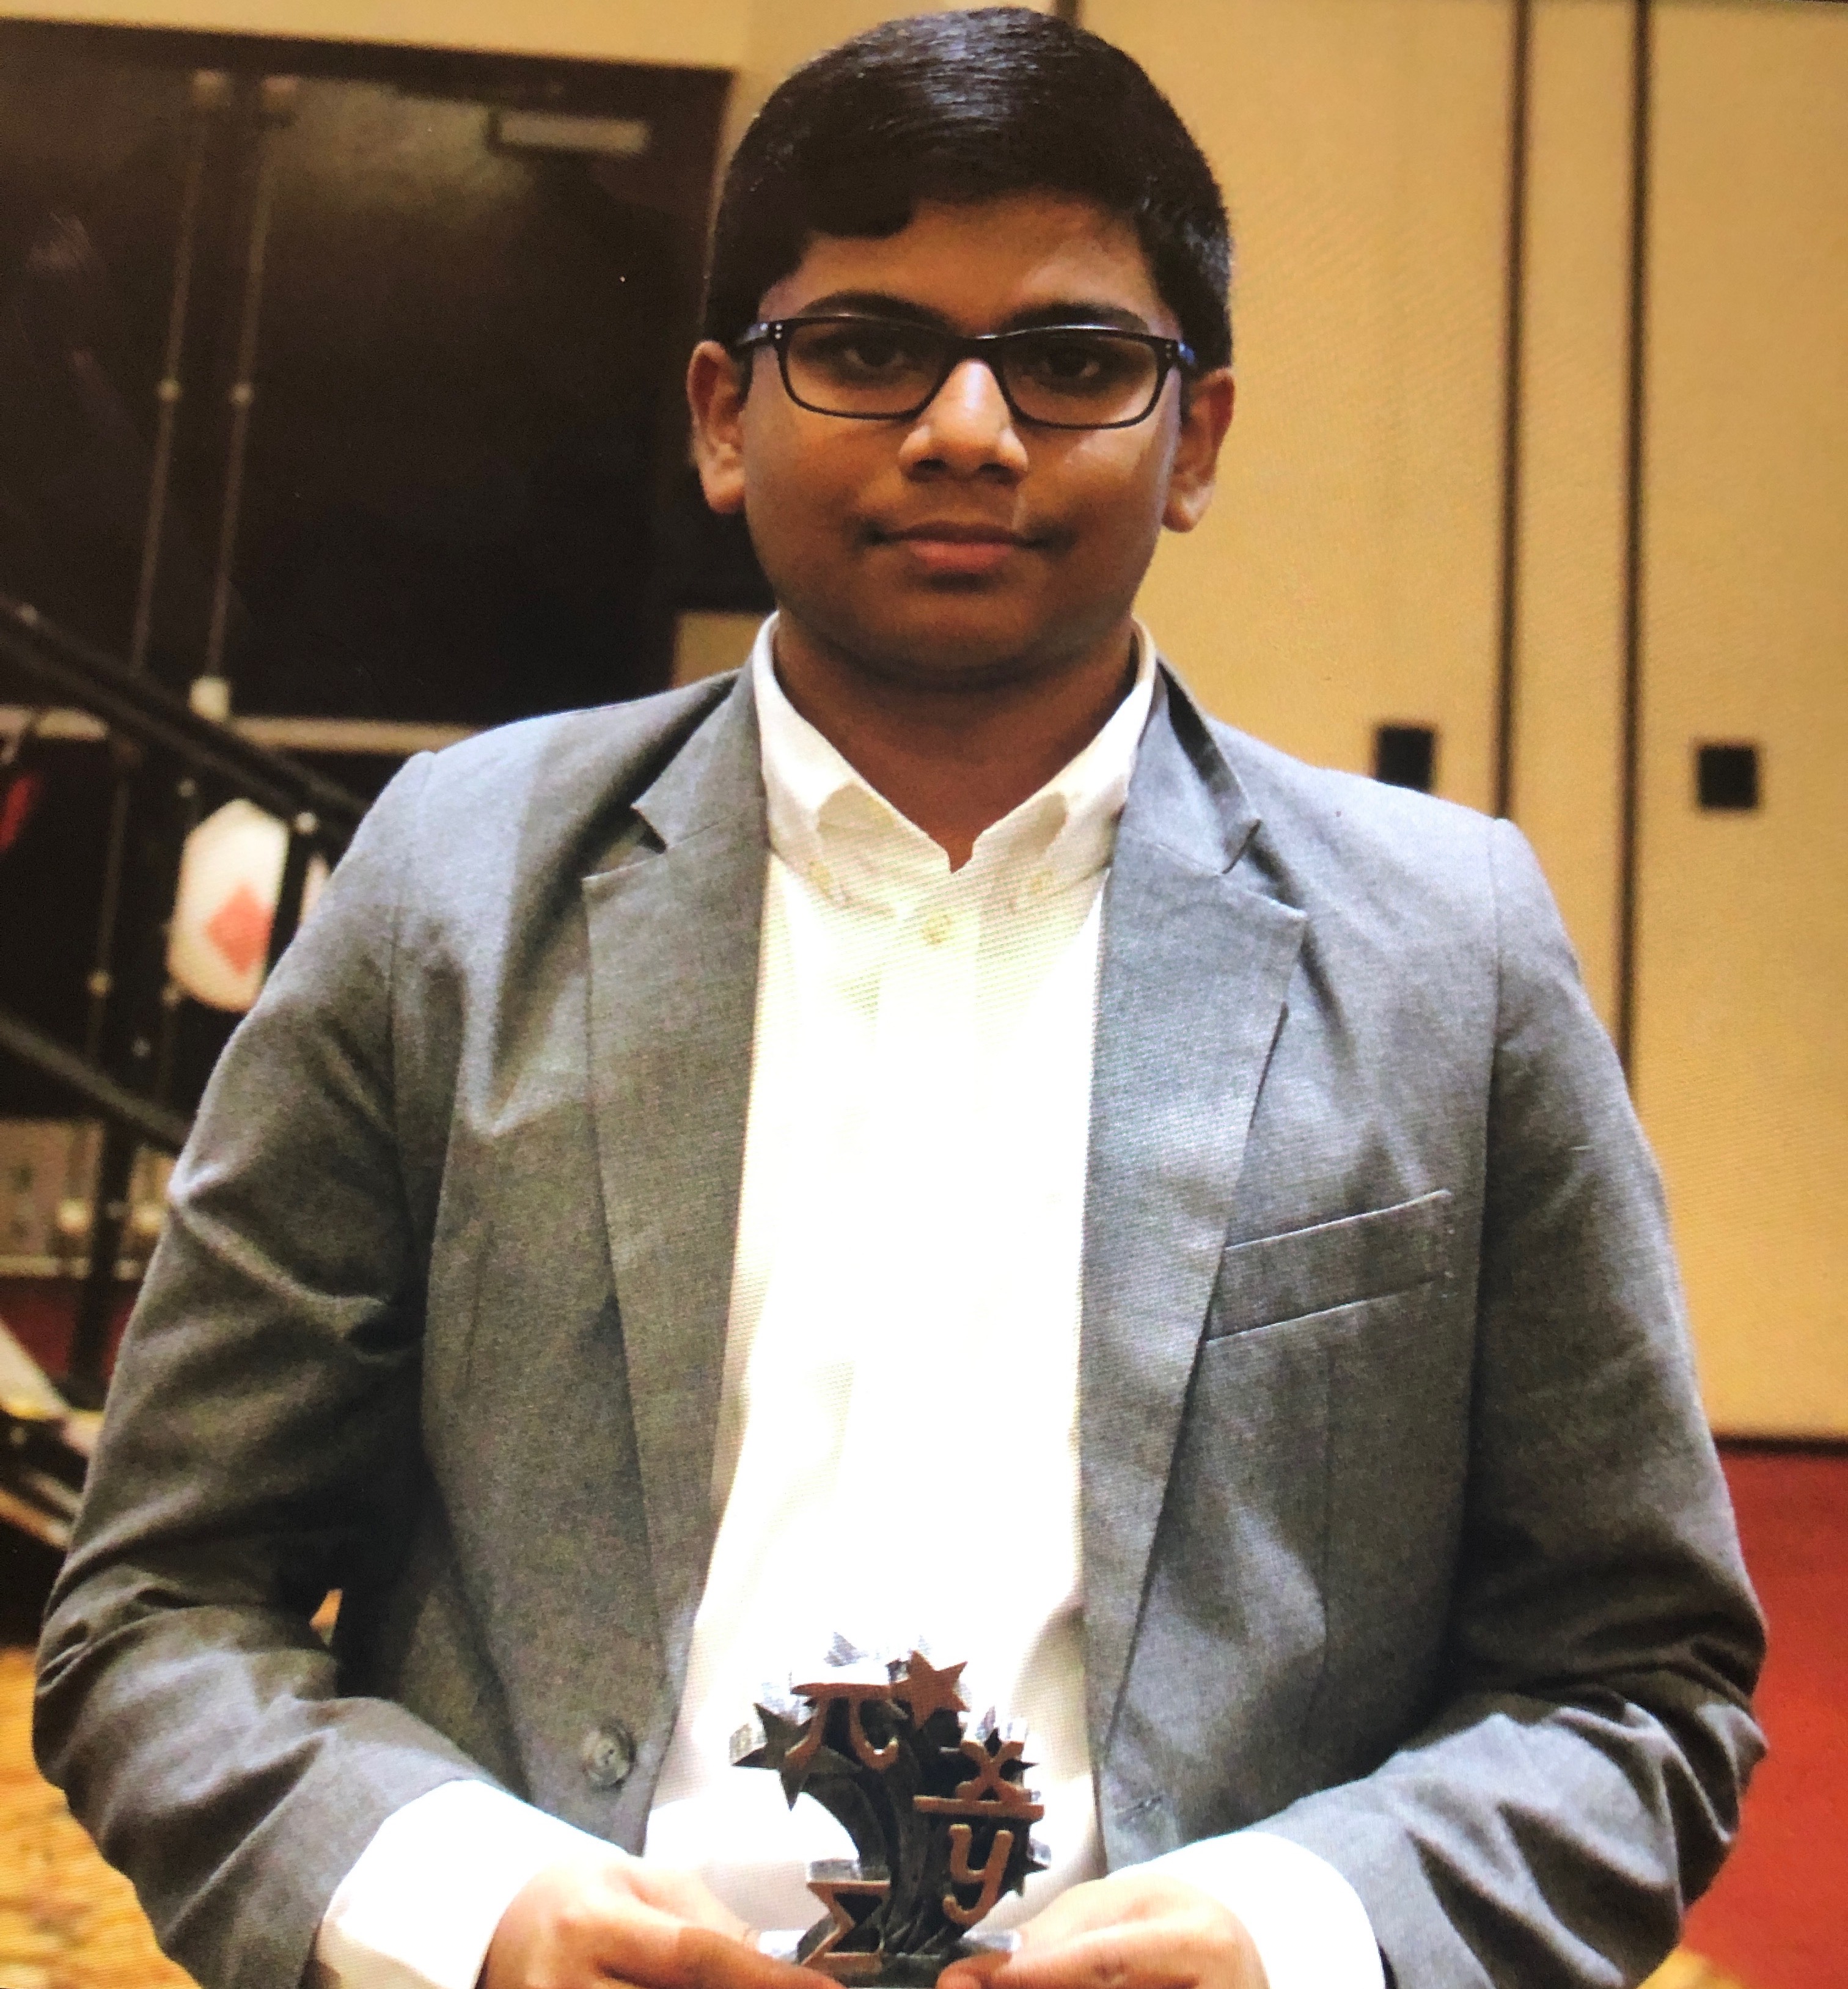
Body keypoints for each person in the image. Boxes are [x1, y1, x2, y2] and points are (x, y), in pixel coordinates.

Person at [36, 12, 1762, 1989]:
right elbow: (160, 1606)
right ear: (720, 414)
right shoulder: (453, 889)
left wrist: (1291, 1937)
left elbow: (1638, 1681)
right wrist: (475, 1913)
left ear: (1195, 440)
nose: (967, 429)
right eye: (865, 349)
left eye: (1074, 363)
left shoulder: (1446, 947)